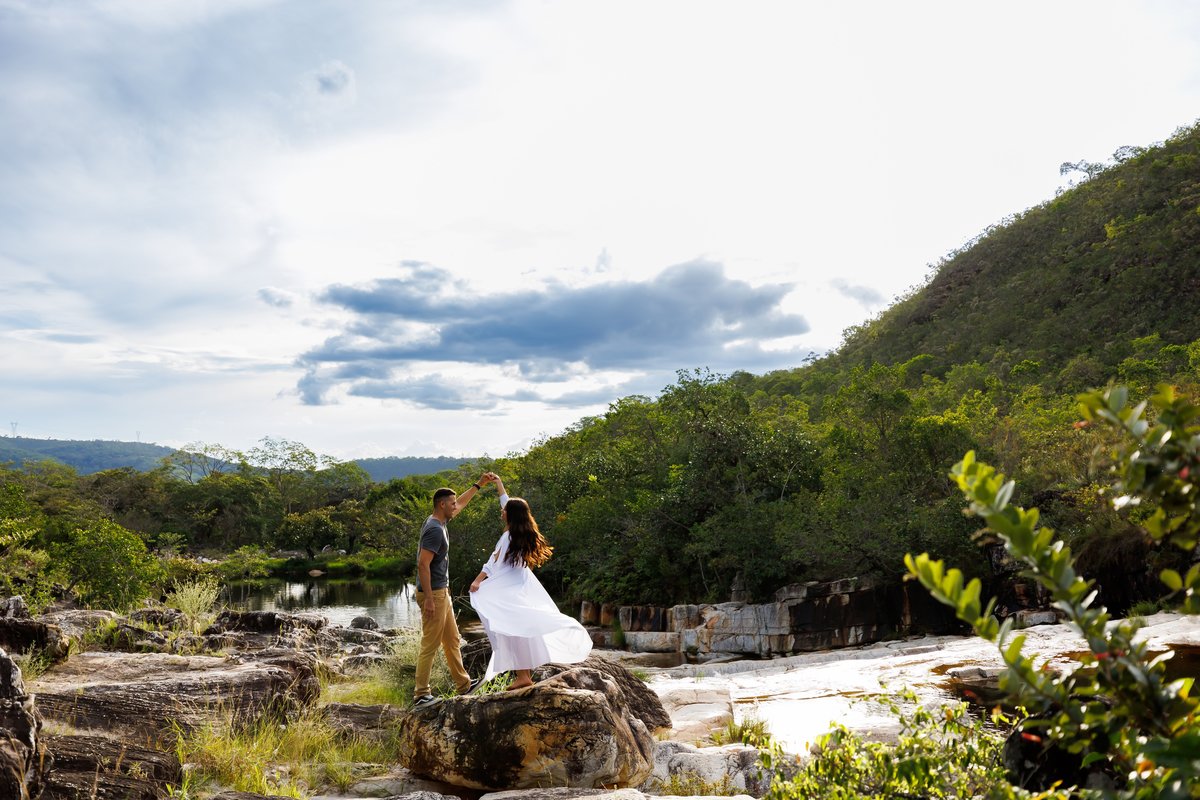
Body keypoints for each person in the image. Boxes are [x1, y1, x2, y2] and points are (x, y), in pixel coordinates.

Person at [469, 474, 592, 689]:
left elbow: (492, 562)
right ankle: (523, 675)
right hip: (519, 587)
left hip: (508, 589)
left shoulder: (508, 538)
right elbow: (508, 504)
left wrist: (477, 581)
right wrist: (498, 484)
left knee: (512, 629)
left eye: (504, 510)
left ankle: (523, 675)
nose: (501, 511)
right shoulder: (519, 535)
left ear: (511, 515)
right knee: (519, 629)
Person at [413, 473, 493, 708]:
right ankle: (421, 694)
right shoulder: (435, 530)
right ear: (442, 504)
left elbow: (462, 504)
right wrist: (429, 598)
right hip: (433, 594)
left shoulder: (440, 521)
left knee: (452, 640)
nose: (455, 506)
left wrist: (479, 485)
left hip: (441, 592)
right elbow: (422, 564)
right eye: (451, 503)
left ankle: (463, 684)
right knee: (430, 644)